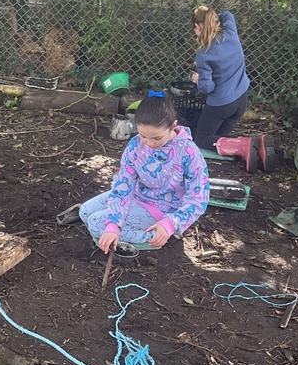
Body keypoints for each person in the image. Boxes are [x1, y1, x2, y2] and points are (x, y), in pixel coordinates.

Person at [80, 92, 210, 254]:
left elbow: (198, 199)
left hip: (164, 209)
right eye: (143, 136)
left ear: (173, 125)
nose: (149, 143)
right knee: (84, 212)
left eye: (157, 138)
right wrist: (114, 223)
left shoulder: (189, 153)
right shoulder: (135, 144)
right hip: (137, 196)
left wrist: (171, 223)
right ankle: (129, 228)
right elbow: (124, 184)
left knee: (95, 224)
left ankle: (157, 235)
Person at [190, 6, 275, 173]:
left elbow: (207, 87)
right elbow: (228, 14)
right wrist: (212, 17)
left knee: (202, 139)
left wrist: (199, 80)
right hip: (241, 100)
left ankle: (244, 145)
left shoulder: (204, 54)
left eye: (195, 28)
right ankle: (258, 143)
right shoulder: (230, 32)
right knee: (220, 137)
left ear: (198, 27)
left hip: (221, 105)